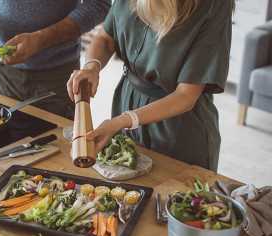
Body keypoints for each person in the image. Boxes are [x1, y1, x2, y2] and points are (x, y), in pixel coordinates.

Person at [67, 0, 234, 171]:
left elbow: (186, 96)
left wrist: (123, 121)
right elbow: (105, 38)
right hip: (127, 101)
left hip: (178, 126)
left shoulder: (214, 5)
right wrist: (92, 66)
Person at [0, 0, 110, 119]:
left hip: (58, 78)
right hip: (0, 74)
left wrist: (42, 39)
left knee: (57, 154)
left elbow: (98, 4)